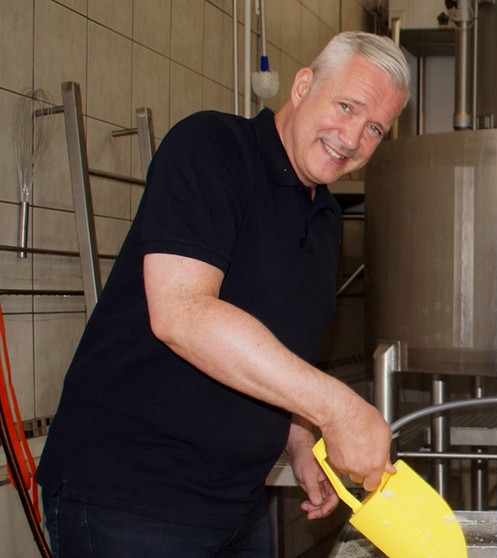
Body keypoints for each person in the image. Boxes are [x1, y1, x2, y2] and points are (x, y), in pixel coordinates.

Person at [37, 31, 410, 557]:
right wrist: (339, 411)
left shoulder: (324, 216)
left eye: (375, 128)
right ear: (304, 85)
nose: (352, 138)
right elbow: (183, 313)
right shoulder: (213, 148)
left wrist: (300, 439)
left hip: (236, 504)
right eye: (346, 106)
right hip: (131, 498)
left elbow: (276, 346)